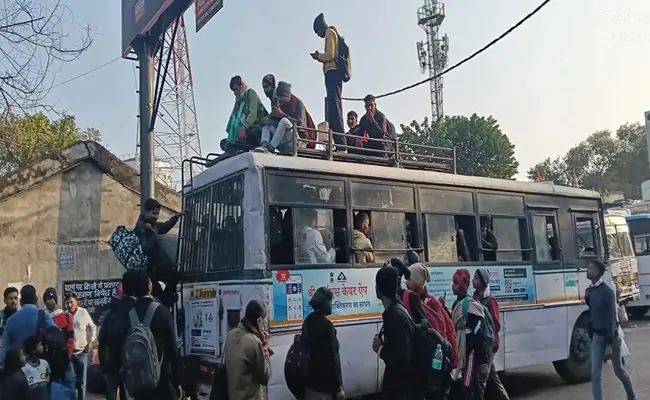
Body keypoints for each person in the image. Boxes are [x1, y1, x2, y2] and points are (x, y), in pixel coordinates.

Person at [118, 269, 183, 400]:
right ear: (149, 286)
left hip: (138, 382)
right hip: (162, 382)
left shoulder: (128, 314)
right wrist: (177, 381)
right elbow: (172, 350)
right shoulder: (162, 312)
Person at [585, 260, 636, 400]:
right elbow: (592, 312)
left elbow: (611, 319)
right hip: (596, 336)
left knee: (618, 370)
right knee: (595, 374)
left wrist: (609, 344)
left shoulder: (607, 292)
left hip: (611, 337)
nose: (587, 270)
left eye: (590, 268)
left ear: (597, 273)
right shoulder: (589, 291)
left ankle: (631, 396)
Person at [407, 263, 459, 369]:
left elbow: (440, 329)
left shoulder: (431, 302)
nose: (406, 283)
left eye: (409, 279)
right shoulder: (410, 299)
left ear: (416, 282)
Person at [134, 197, 184, 308]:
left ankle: (167, 302)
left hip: (157, 267)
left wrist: (177, 216)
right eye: (154, 213)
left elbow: (164, 227)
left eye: (158, 214)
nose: (156, 217)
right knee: (160, 296)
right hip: (147, 271)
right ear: (146, 212)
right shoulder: (141, 227)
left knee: (175, 275)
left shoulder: (153, 225)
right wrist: (152, 234)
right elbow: (145, 247)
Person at [373, 266, 413, 399]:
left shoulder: (394, 315)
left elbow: (402, 357)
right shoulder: (397, 309)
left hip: (399, 388)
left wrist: (380, 349)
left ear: (379, 289)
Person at [449, 269, 489, 400]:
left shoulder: (470, 305)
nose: (452, 286)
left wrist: (483, 362)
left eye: (455, 283)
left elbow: (479, 335)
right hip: (462, 351)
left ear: (463, 286)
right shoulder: (456, 304)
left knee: (467, 387)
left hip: (471, 352)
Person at [472, 270, 509, 400]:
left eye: (476, 278)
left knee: (481, 379)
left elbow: (496, 325)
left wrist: (483, 331)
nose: (473, 280)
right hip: (480, 344)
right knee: (493, 377)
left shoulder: (490, 301)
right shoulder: (474, 297)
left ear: (482, 282)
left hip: (489, 344)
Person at [224, 299, 271, 400]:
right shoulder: (253, 342)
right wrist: (265, 347)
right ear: (259, 321)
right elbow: (264, 377)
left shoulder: (231, 335)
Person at [311, 13, 346, 148]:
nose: (319, 35)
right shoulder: (332, 33)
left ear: (321, 28)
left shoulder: (330, 33)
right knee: (333, 109)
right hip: (331, 74)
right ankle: (339, 143)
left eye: (318, 32)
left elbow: (330, 55)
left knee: (335, 110)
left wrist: (318, 56)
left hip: (333, 73)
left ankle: (341, 145)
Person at [303, 288, 344, 400]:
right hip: (324, 388)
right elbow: (332, 359)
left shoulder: (307, 321)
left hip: (309, 385)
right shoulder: (327, 326)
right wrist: (338, 388)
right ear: (326, 303)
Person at [98, 278, 135, 400]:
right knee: (127, 393)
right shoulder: (134, 312)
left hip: (111, 363)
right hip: (129, 362)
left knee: (111, 393)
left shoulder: (110, 313)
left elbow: (101, 338)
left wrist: (104, 362)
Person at [0, 285, 57, 362]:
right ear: (36, 299)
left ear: (20, 301)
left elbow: (5, 349)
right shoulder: (43, 316)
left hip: (19, 367)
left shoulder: (10, 321)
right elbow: (56, 336)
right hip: (39, 365)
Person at [256, 82, 304, 154]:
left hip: (297, 141)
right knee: (266, 126)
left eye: (281, 97)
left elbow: (300, 125)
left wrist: (282, 115)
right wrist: (263, 121)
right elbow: (271, 120)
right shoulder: (279, 104)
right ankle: (264, 146)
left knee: (284, 121)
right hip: (283, 140)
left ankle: (270, 148)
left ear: (287, 96)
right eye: (278, 97)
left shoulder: (298, 104)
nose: (279, 99)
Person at [225, 76, 268, 153]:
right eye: (233, 91)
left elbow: (253, 113)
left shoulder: (250, 93)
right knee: (224, 143)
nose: (234, 93)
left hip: (256, 127)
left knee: (253, 133)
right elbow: (233, 120)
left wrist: (244, 127)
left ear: (241, 86)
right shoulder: (238, 101)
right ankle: (240, 148)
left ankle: (243, 148)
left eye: (235, 89)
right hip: (242, 133)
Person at [43, 287, 75, 391]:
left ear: (56, 299)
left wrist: (68, 356)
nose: (48, 302)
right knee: (55, 390)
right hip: (52, 362)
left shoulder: (66, 317)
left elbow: (70, 338)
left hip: (65, 360)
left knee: (69, 388)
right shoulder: (45, 319)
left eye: (50, 298)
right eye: (46, 300)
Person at [65, 293, 96, 400]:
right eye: (67, 303)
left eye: (71, 302)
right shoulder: (65, 315)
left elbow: (93, 327)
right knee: (70, 382)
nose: (69, 305)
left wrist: (91, 342)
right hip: (69, 354)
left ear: (76, 302)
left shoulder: (83, 313)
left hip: (81, 353)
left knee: (82, 383)